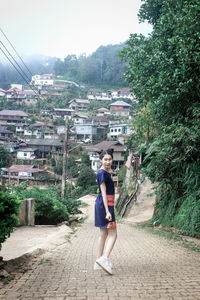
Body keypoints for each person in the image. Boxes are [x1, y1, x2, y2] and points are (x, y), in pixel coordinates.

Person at [94, 149, 117, 275]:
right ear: (101, 160)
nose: (108, 162)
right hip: (105, 206)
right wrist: (108, 211)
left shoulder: (106, 173)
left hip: (104, 205)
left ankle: (98, 261)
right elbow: (103, 193)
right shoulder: (102, 173)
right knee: (113, 234)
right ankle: (104, 259)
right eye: (105, 159)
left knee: (103, 233)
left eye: (109, 159)